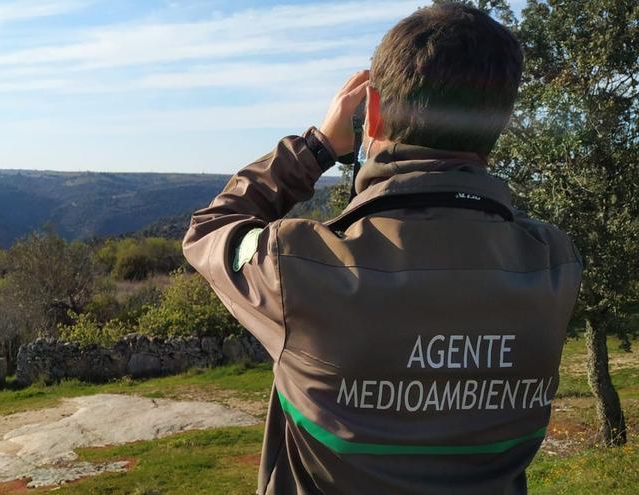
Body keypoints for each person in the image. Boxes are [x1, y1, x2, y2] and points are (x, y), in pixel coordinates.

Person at [182, 3, 582, 494]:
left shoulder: (298, 264)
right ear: (498, 121)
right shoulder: (553, 263)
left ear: (371, 111)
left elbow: (209, 230)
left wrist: (317, 147)